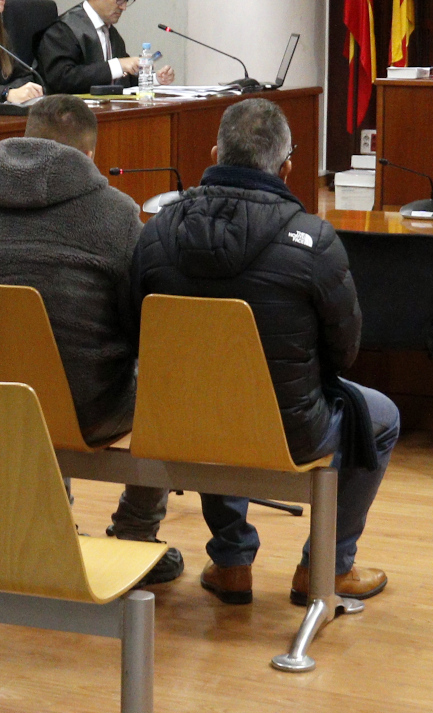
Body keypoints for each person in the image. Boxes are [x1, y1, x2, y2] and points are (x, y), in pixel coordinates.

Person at [131, 98, 400, 607]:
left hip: (182, 421)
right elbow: (344, 352)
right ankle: (326, 567)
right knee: (381, 417)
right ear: (287, 167)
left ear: (215, 154)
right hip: (288, 431)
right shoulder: (315, 240)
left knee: (212, 392)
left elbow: (134, 330)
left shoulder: (156, 232)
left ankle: (232, 561)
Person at [0, 95, 179, 585]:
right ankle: (135, 531)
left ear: (25, 140)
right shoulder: (117, 214)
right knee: (164, 374)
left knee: (40, 356)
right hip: (89, 411)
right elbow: (142, 328)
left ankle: (52, 522)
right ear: (89, 156)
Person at [35, 0, 151, 94]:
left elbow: (122, 77)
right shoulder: (63, 30)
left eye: (127, 0)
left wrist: (153, 78)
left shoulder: (111, 33)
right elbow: (61, 79)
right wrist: (117, 65)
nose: (123, 7)